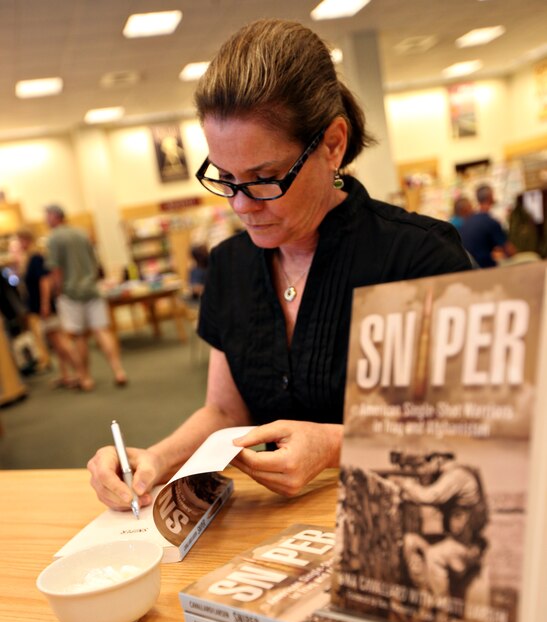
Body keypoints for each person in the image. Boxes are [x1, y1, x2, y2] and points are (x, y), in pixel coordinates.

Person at [88, 18, 472, 511]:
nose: (242, 205)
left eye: (265, 177)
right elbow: (226, 410)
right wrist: (156, 460)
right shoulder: (229, 266)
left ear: (333, 144)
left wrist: (335, 445)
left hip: (403, 521)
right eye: (225, 177)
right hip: (271, 533)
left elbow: (472, 426)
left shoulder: (419, 258)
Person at [44, 205, 128, 390]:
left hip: (71, 293)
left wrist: (58, 292)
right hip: (92, 289)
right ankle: (118, 370)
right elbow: (94, 261)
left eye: (47, 216)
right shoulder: (82, 234)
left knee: (79, 336)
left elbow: (56, 269)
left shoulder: (54, 239)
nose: (45, 220)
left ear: (55, 216)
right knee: (102, 331)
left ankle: (85, 378)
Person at [394, 453, 489, 599]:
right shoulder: (449, 475)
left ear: (438, 459)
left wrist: (406, 484)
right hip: (455, 539)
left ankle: (442, 607)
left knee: (434, 556)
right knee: (410, 541)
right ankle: (426, 595)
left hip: (464, 546)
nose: (421, 469)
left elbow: (429, 496)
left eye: (423, 463)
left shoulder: (456, 476)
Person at [14, 228, 85, 388]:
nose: (18, 244)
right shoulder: (29, 259)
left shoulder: (36, 258)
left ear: (27, 239)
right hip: (40, 306)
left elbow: (45, 282)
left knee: (60, 342)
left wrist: (45, 304)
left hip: (45, 307)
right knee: (55, 343)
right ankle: (66, 374)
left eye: (20, 240)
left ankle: (81, 373)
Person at [459, 184, 516, 267]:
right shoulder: (490, 221)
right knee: (531, 258)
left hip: (472, 267)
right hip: (487, 268)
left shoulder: (469, 221)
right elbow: (510, 252)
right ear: (491, 196)